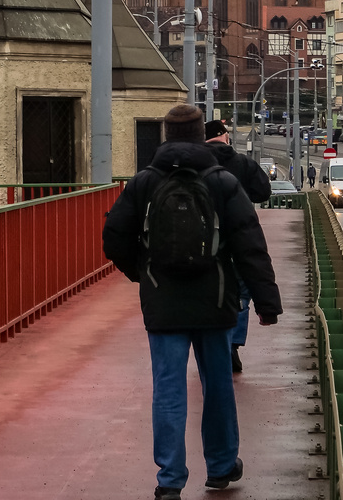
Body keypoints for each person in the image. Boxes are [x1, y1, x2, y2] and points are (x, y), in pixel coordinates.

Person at [103, 104, 283, 500]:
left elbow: (113, 237)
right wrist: (266, 303)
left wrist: (144, 273)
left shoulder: (145, 181)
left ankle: (170, 479)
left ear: (166, 135)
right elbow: (250, 244)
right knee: (217, 385)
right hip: (215, 300)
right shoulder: (221, 181)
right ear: (202, 134)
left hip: (163, 302)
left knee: (168, 389)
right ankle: (220, 467)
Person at [204, 118, 271, 374]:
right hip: (238, 237)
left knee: (207, 290)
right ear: (224, 136)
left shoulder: (193, 162)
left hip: (203, 239)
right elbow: (264, 192)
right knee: (242, 293)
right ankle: (232, 344)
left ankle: (212, 345)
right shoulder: (242, 163)